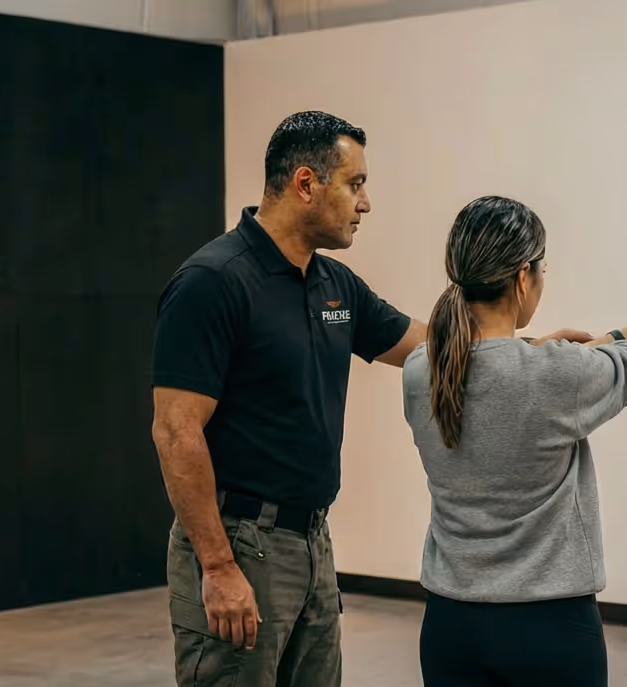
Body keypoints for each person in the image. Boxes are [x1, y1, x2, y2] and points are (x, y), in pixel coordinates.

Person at [149, 111, 428, 686]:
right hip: (240, 545)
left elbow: (427, 345)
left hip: (313, 543)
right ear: (306, 184)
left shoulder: (336, 286)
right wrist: (219, 565)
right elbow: (177, 432)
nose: (366, 202)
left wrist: (524, 346)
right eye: (355, 183)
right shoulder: (213, 281)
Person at [401, 196, 627, 686]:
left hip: (451, 626)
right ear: (521, 279)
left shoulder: (419, 369)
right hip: (548, 627)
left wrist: (619, 333)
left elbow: (510, 370)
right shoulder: (555, 376)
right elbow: (623, 370)